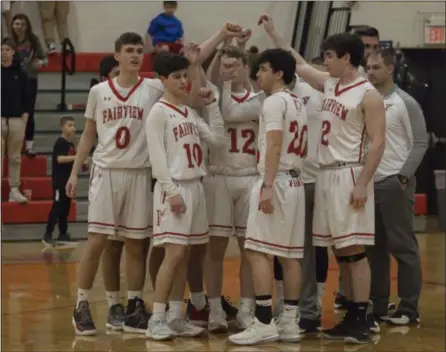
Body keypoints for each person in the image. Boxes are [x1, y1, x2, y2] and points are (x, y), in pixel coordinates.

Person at [260, 14, 386, 344]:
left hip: (349, 173)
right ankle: (351, 315)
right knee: (339, 251)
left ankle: (362, 315)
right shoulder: (332, 85)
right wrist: (275, 34)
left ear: (346, 58)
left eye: (330, 55)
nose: (325, 60)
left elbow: (378, 144)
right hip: (327, 174)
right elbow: (299, 65)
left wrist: (362, 183)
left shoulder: (368, 95)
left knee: (354, 250)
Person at [66, 32, 164, 336]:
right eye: (129, 51)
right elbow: (88, 134)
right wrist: (73, 172)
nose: (135, 55)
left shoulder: (153, 88)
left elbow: (184, 78)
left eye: (139, 51)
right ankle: (81, 304)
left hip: (139, 173)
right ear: (117, 56)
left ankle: (134, 305)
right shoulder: (99, 91)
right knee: (97, 240)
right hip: (106, 171)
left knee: (136, 244)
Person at [145, 48, 226, 340]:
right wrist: (171, 191)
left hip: (196, 187)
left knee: (187, 254)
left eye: (184, 76)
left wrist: (213, 105)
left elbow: (218, 140)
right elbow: (157, 159)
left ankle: (178, 316)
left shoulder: (189, 112)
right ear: (162, 79)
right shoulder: (158, 113)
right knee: (174, 253)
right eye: (177, 77)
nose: (183, 81)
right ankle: (157, 318)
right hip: (174, 188)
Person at [229, 48, 307, 346]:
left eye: (262, 69)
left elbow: (274, 145)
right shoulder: (297, 102)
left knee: (257, 251)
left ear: (279, 73)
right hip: (295, 181)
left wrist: (268, 185)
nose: (257, 75)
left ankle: (263, 321)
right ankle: (289, 321)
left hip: (277, 180)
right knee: (289, 256)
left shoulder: (274, 102)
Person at [366, 48, 427, 325]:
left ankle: (408, 307)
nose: (370, 71)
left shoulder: (406, 102)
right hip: (368, 183)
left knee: (403, 246)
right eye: (368, 67)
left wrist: (402, 177)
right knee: (374, 248)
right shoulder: (365, 100)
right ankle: (378, 303)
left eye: (376, 67)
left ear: (390, 69)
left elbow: (419, 143)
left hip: (394, 182)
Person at [203, 45, 260, 333]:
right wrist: (218, 62)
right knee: (215, 249)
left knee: (250, 249)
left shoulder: (260, 98)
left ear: (246, 67)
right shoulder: (213, 93)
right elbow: (208, 79)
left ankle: (247, 309)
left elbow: (231, 112)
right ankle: (214, 309)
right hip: (219, 176)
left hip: (250, 175)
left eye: (235, 65)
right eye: (225, 65)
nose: (229, 70)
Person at [273, 56, 326, 333]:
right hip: (294, 179)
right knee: (293, 247)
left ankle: (356, 307)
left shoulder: (322, 92)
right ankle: (298, 307)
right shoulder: (280, 96)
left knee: (337, 248)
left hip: (321, 177)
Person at [43, 116, 83, 247]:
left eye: (74, 125)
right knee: (57, 207)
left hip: (67, 181)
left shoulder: (71, 144)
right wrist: (77, 157)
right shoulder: (60, 142)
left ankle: (63, 234)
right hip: (59, 182)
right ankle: (48, 234)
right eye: (69, 125)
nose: (72, 128)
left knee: (65, 209)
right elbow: (59, 159)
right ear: (62, 127)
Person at [11, 13, 47, 157]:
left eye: (23, 24)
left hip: (30, 80)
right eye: (17, 24)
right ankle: (13, 145)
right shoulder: (8, 41)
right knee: (13, 114)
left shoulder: (33, 40)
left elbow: (45, 60)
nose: (20, 27)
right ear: (12, 26)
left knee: (29, 112)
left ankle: (29, 146)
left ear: (27, 26)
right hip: (12, 81)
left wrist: (40, 63)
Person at [1, 37, 30, 204]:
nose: (3, 53)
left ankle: (14, 189)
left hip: (16, 120)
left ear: (12, 52)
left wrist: (24, 117)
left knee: (15, 157)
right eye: (1, 49)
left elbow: (28, 97)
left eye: (6, 49)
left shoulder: (21, 73)